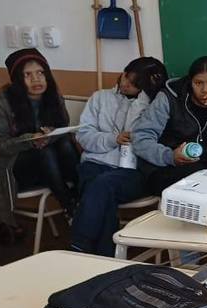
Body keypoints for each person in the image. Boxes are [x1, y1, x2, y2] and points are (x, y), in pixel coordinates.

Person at [70, 57, 168, 256]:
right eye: (125, 76)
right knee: (99, 188)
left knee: (101, 186)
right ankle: (103, 256)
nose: (124, 83)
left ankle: (79, 247)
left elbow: (137, 133)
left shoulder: (152, 106)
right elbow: (83, 136)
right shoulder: (100, 98)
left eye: (133, 84)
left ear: (145, 88)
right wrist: (112, 139)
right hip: (95, 163)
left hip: (131, 171)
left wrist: (141, 101)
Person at [0, 48, 79, 242]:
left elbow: (62, 127)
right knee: (44, 153)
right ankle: (70, 205)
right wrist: (29, 140)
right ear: (18, 79)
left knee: (65, 143)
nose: (36, 80)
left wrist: (49, 135)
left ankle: (79, 199)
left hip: (53, 169)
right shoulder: (2, 102)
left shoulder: (53, 95)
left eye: (41, 73)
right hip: (14, 169)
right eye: (28, 75)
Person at [133, 56, 207, 194]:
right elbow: (140, 138)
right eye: (198, 83)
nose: (205, 89)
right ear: (190, 82)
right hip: (168, 168)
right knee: (199, 176)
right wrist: (170, 156)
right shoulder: (169, 97)